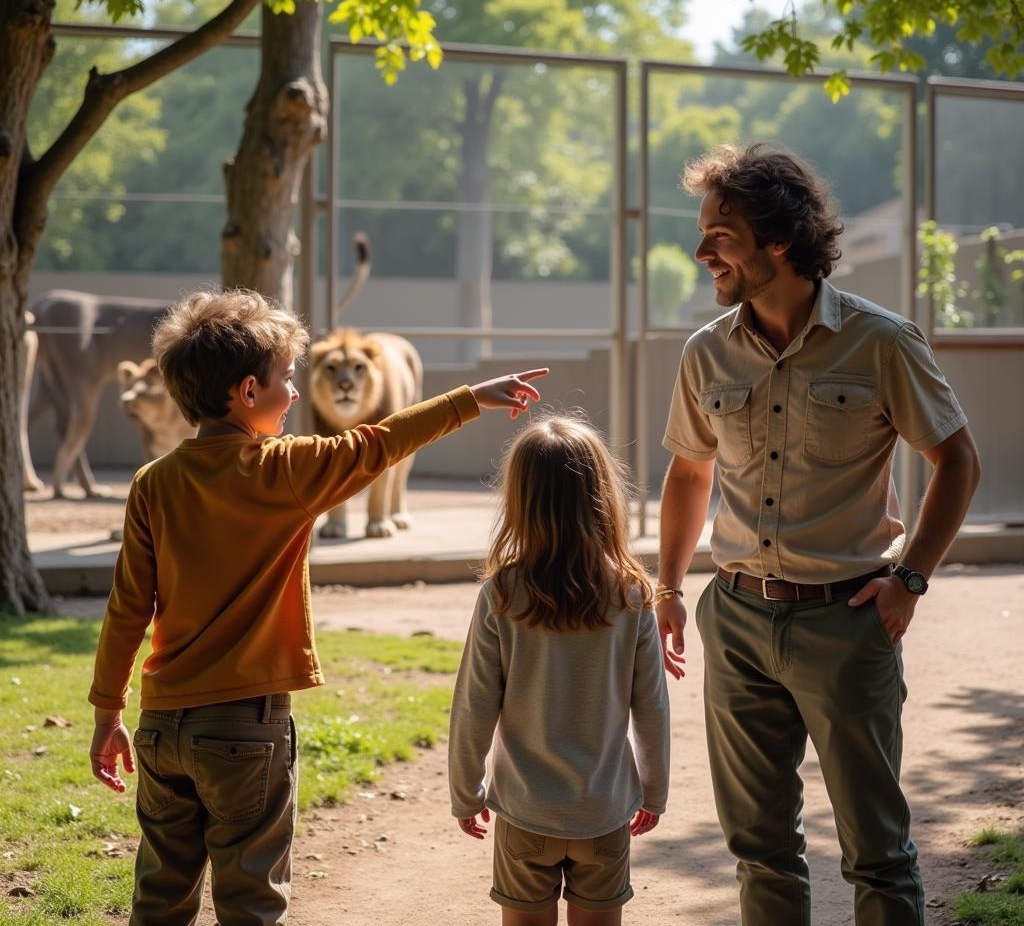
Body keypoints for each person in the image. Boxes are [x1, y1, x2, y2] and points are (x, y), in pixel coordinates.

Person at [86, 288, 548, 926]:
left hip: (161, 725)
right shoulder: (288, 470)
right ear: (248, 392)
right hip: (247, 729)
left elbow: (127, 610)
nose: (297, 392)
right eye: (287, 379)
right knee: (251, 899)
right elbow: (381, 442)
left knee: (160, 896)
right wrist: (472, 399)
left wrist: (109, 710)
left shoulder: (152, 483)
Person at [657, 144, 981, 926]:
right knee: (758, 849)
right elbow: (690, 474)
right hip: (735, 620)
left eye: (720, 234)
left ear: (779, 238)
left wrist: (910, 579)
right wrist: (669, 589)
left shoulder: (882, 342)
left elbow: (957, 461)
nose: (701, 252)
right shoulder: (707, 353)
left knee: (878, 852)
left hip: (847, 621)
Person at [449, 415, 672, 926]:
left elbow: (474, 704)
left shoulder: (501, 595)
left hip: (525, 811)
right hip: (604, 811)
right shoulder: (632, 594)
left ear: (520, 501)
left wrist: (466, 791)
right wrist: (654, 790)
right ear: (603, 496)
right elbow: (652, 706)